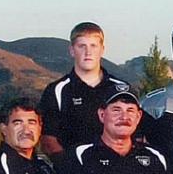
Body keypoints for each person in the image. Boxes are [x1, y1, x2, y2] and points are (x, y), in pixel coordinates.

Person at [38, 22, 131, 164]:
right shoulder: (56, 91)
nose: (88, 52)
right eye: (82, 46)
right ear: (72, 50)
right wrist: (71, 168)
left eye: (93, 46)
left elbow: (135, 134)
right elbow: (47, 139)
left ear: (102, 50)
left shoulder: (122, 88)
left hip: (117, 173)